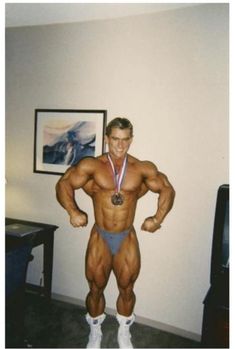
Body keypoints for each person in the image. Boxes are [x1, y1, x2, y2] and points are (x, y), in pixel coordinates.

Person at [55, 117, 175, 349]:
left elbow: (167, 189)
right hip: (100, 235)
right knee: (95, 287)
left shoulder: (142, 168)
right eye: (115, 139)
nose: (120, 145)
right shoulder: (92, 165)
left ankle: (124, 331)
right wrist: (73, 211)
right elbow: (64, 183)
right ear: (107, 138)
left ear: (131, 140)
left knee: (127, 287)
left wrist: (157, 219)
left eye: (125, 140)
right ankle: (95, 331)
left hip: (126, 237)